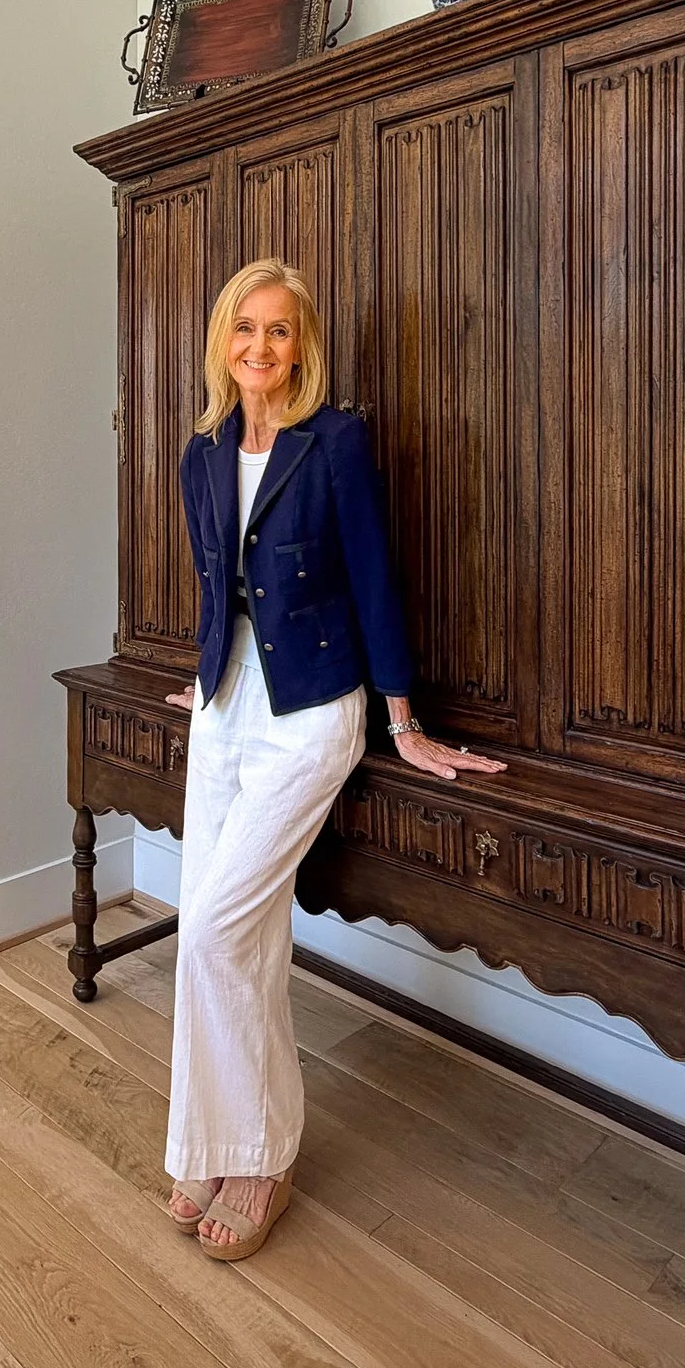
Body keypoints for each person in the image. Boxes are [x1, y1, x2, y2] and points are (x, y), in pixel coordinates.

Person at [160, 257, 505, 1259]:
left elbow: (373, 578)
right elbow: (211, 582)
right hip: (224, 711)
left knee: (214, 936)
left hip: (311, 714)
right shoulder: (202, 450)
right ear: (222, 342)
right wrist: (203, 671)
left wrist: (404, 720)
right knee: (232, 932)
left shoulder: (337, 443)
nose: (259, 348)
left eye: (279, 331)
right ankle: (207, 1143)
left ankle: (260, 1155)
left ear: (301, 345)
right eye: (243, 329)